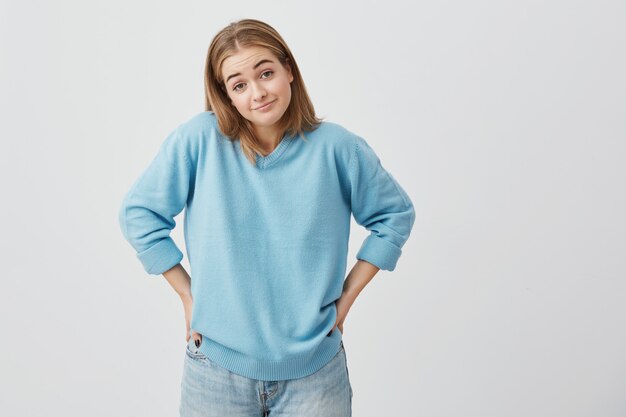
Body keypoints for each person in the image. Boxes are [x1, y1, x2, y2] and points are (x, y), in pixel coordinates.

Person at [118, 18, 415, 417]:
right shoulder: (199, 140)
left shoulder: (338, 148)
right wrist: (188, 295)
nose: (257, 92)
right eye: (239, 84)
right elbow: (139, 214)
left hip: (316, 374)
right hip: (215, 371)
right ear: (226, 94)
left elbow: (394, 215)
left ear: (288, 69)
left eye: (266, 73)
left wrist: (345, 301)